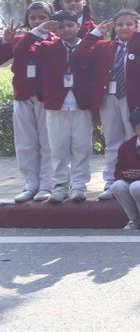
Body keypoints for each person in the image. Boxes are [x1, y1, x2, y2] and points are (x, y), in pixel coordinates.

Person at [78, 10, 140, 199]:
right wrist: (95, 33)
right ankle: (111, 180)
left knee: (133, 139)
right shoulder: (104, 46)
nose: (124, 28)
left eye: (129, 24)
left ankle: (133, 178)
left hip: (132, 99)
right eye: (120, 24)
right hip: (109, 97)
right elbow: (79, 55)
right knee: (112, 140)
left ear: (137, 26)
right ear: (114, 27)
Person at [32, 10, 96, 203]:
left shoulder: (90, 46)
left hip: (81, 104)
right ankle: (60, 184)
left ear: (78, 26)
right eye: (61, 26)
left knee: (82, 146)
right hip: (56, 105)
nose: (66, 29)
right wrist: (39, 30)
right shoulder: (46, 48)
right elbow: (23, 51)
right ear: (55, 29)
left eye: (70, 25)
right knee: (58, 147)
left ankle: (79, 184)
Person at [3, 3, 55, 201]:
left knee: (47, 142)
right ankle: (30, 183)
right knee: (25, 143)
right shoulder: (20, 39)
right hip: (23, 96)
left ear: (51, 19)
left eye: (42, 17)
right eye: (33, 18)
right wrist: (6, 41)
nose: (37, 21)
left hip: (46, 98)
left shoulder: (56, 40)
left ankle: (47, 184)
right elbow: (15, 52)